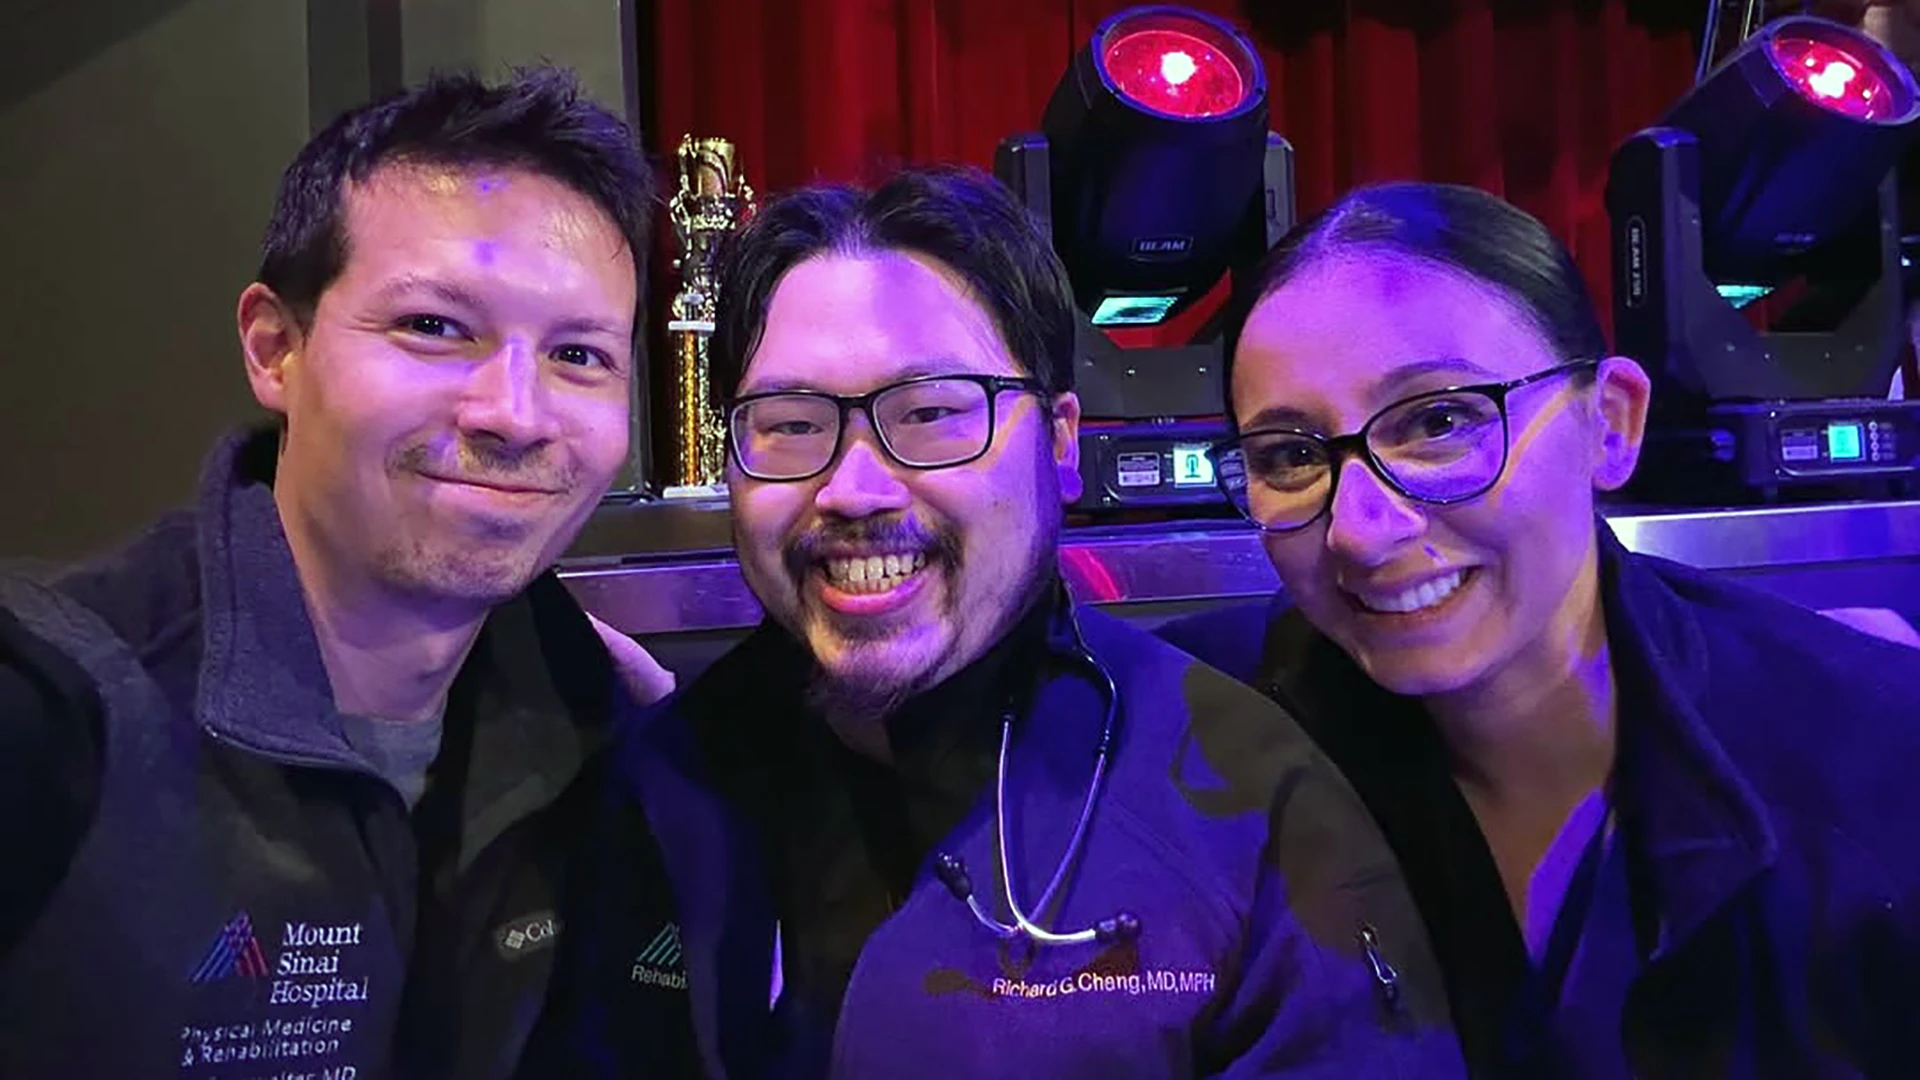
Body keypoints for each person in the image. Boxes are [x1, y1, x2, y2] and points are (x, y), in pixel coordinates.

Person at [538, 165, 1468, 1078]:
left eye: (935, 413)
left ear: (1061, 443)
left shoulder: (1243, 803)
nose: (854, 488)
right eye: (790, 425)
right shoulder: (651, 790)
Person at [0, 68, 690, 1078]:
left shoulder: (609, 728)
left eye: (579, 355)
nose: (514, 412)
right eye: (435, 327)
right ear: (276, 348)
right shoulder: (50, 708)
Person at [1157, 181, 1920, 1075]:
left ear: (1611, 423)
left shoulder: (1876, 758)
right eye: (1289, 455)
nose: (1360, 529)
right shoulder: (1206, 731)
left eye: (1439, 422)